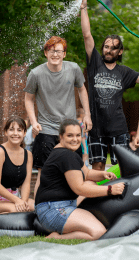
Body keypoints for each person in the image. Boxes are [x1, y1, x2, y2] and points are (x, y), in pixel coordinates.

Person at [77, 0, 139, 171]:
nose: (108, 50)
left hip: (118, 128)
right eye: (106, 46)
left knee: (121, 167)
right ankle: (97, 197)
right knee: (97, 166)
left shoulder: (125, 72)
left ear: (119, 52)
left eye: (113, 48)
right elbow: (86, 34)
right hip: (96, 127)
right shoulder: (94, 63)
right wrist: (84, 8)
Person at [24, 36, 92, 198]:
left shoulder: (74, 69)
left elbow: (82, 90)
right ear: (46, 53)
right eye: (51, 50)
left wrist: (87, 115)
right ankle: (38, 205)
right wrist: (33, 122)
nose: (55, 54)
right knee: (44, 171)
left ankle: (75, 204)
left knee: (76, 170)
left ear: (64, 54)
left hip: (70, 130)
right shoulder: (36, 73)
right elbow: (28, 98)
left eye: (59, 51)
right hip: (46, 129)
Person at [35, 119, 125, 240]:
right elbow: (79, 188)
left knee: (91, 182)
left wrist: (103, 174)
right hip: (54, 210)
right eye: (70, 135)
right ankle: (55, 238)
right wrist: (109, 189)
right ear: (61, 136)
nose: (75, 139)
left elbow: (87, 174)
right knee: (98, 232)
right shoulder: (66, 155)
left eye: (78, 135)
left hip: (53, 206)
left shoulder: (66, 152)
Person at [0, 116, 34, 215]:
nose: (15, 133)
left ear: (24, 133)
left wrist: (23, 201)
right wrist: (17, 201)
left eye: (19, 130)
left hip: (15, 198)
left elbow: (26, 183)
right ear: (6, 132)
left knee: (37, 207)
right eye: (11, 130)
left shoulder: (28, 155)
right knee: (15, 210)